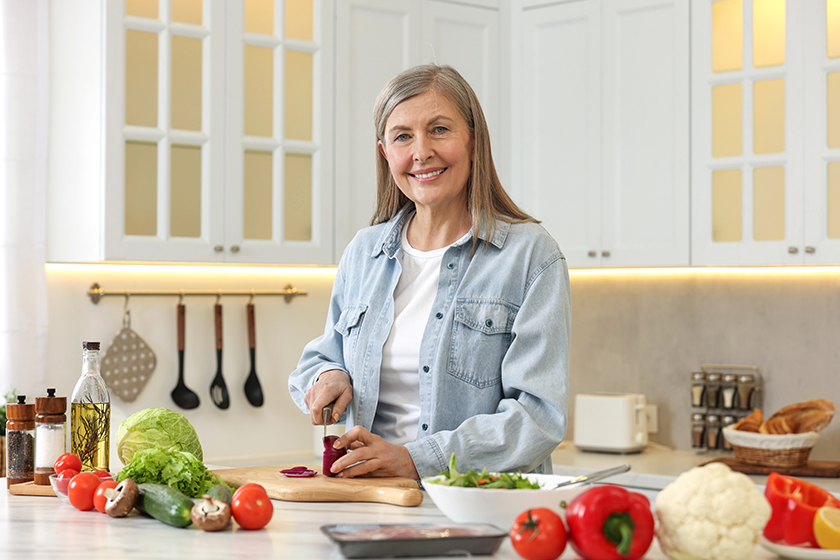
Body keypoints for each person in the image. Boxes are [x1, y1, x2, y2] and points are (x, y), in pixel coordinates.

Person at [288, 64, 570, 481]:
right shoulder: (364, 253)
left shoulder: (530, 255)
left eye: (439, 129)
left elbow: (538, 416)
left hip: (477, 504)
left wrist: (417, 459)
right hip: (368, 500)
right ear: (386, 153)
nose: (421, 152)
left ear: (474, 142)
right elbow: (323, 356)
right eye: (403, 136)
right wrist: (328, 375)